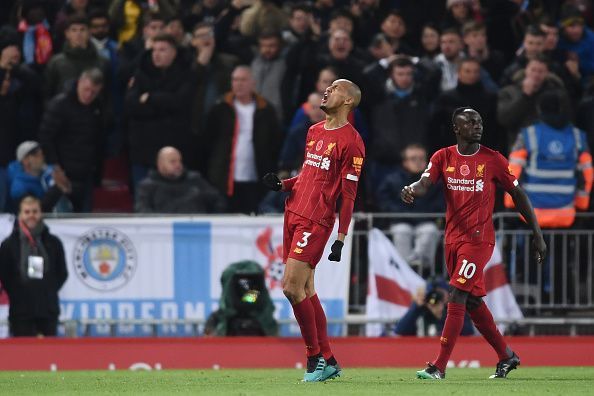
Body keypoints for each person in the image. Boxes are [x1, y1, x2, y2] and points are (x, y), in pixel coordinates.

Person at [401, 107, 546, 380]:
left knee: (456, 295)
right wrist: (411, 190)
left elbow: (518, 194)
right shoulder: (443, 156)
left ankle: (438, 366)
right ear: (457, 128)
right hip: (452, 240)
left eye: (479, 121)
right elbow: (424, 182)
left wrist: (537, 233)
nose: (477, 125)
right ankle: (506, 356)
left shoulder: (493, 160)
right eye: (469, 122)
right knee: (473, 303)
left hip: (478, 241)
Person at [262, 79, 365, 382]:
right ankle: (329, 359)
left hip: (315, 220)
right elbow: (308, 174)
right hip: (292, 211)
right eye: (327, 87)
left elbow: (348, 195)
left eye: (334, 88)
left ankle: (313, 358)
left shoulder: (353, 142)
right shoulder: (313, 131)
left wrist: (341, 238)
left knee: (291, 288)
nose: (327, 90)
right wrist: (284, 185)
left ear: (348, 101)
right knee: (307, 290)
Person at [204, 65, 282, 214]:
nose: (238, 84)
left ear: (253, 83)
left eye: (243, 80)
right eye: (235, 80)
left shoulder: (266, 110)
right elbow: (208, 141)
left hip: (256, 178)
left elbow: (274, 144)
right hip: (224, 179)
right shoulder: (220, 108)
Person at [38, 67, 106, 212]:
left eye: (93, 92)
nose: (88, 95)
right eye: (86, 89)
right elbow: (45, 136)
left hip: (86, 172)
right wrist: (55, 166)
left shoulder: (98, 106)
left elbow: (99, 139)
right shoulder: (60, 104)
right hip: (63, 173)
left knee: (83, 218)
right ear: (79, 82)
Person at [0, 195, 68, 337]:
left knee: (49, 356)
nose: (31, 215)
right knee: (24, 356)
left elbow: (62, 273)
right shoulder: (8, 245)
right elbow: (4, 275)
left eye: (35, 211)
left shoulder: (53, 242)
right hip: (21, 311)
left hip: (48, 311)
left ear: (41, 213)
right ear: (20, 215)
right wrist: (18, 293)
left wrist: (47, 290)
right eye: (27, 212)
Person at [135, 146, 225, 213]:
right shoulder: (148, 186)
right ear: (160, 164)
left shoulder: (195, 180)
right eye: (173, 161)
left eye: (179, 161)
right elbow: (142, 211)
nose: (178, 165)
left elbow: (218, 201)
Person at [395, 278, 474, 337]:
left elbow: (468, 332)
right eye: (432, 293)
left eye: (439, 294)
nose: (435, 298)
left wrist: (445, 311)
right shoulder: (421, 311)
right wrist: (416, 306)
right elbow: (400, 331)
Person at [8, 141, 72, 213]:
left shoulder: (50, 172)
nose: (42, 157)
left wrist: (67, 185)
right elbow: (35, 210)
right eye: (36, 155)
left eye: (41, 154)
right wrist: (58, 187)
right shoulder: (19, 186)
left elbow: (70, 193)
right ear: (25, 161)